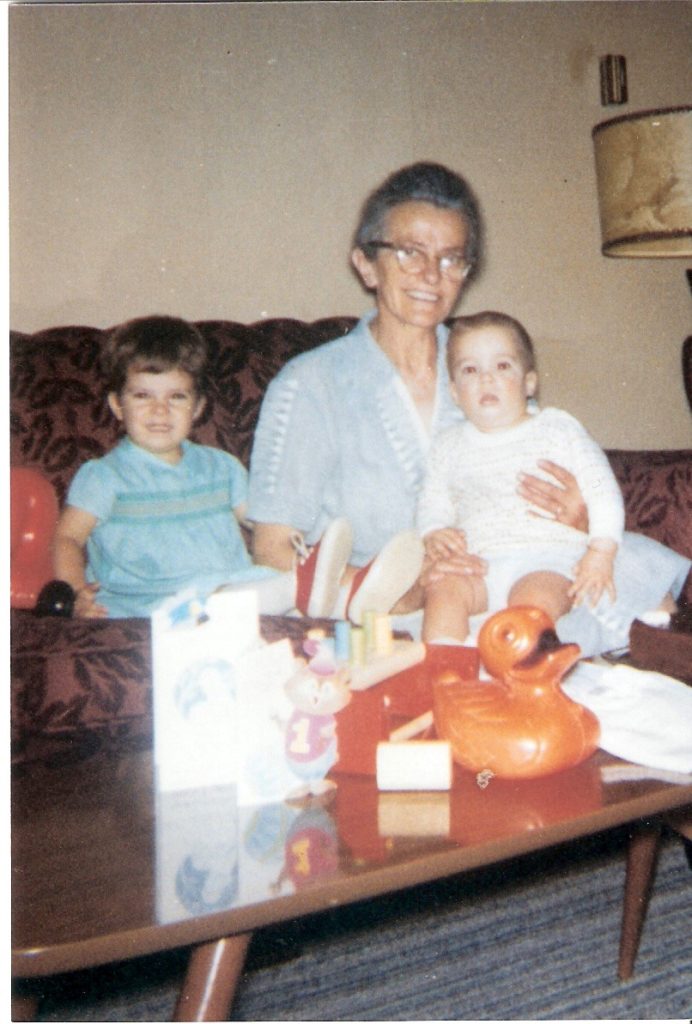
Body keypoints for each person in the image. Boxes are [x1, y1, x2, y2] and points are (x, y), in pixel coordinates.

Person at [248, 162, 690, 654]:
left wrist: (581, 518)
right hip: (405, 605)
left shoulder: (483, 361)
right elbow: (272, 548)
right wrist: (408, 588)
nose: (430, 275)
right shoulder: (309, 385)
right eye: (409, 252)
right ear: (366, 263)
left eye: (451, 258)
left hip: (524, 575)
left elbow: (543, 461)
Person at [53, 315, 417, 620]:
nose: (160, 411)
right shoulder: (104, 476)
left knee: (277, 593)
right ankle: (319, 584)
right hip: (155, 606)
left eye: (176, 397)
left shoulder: (220, 468)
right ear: (117, 405)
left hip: (234, 585)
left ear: (197, 408)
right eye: (143, 396)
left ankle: (364, 602)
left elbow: (264, 523)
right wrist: (75, 593)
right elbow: (68, 537)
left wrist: (300, 545)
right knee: (278, 592)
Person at [417, 311, 666, 643]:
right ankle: (443, 672)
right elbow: (433, 498)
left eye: (502, 366)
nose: (486, 379)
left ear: (529, 382)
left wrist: (602, 551)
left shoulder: (558, 429)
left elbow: (600, 488)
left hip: (548, 558)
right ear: (454, 391)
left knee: (532, 604)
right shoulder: (447, 446)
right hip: (477, 564)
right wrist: (433, 531)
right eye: (470, 370)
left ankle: (520, 675)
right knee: (443, 593)